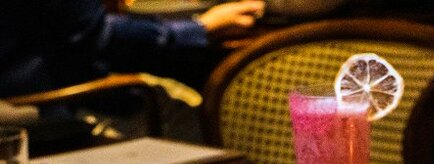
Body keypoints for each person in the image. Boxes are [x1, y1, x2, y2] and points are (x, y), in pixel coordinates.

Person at [0, 0, 266, 98]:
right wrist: (203, 26)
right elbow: (102, 36)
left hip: (26, 92)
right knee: (200, 115)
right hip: (35, 110)